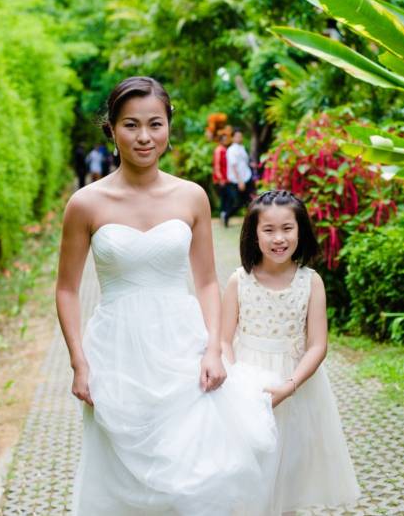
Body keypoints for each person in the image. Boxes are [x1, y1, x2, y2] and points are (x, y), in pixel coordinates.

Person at [56, 76, 278, 516]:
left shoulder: (192, 196)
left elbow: (208, 283)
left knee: (197, 473)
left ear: (169, 127)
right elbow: (65, 288)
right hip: (115, 353)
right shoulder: (85, 204)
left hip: (182, 345)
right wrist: (79, 361)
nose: (143, 137)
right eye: (130, 125)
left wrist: (214, 348)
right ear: (112, 129)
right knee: (123, 476)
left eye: (154, 124)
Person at [220, 190, 361, 515]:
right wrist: (236, 380)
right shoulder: (239, 281)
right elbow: (224, 340)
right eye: (268, 230)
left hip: (296, 387)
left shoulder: (310, 282)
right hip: (248, 387)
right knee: (248, 467)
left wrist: (290, 384)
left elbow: (318, 345)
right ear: (254, 234)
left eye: (287, 228)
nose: (278, 238)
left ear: (301, 231)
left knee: (289, 469)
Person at [223, 129, 253, 227]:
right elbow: (234, 166)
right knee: (238, 202)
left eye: (240, 136)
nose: (239, 138)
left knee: (249, 201)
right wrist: (240, 181)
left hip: (247, 177)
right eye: (237, 136)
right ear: (232, 137)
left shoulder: (242, 148)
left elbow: (244, 163)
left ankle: (251, 221)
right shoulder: (231, 150)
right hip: (237, 180)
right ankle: (227, 216)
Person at [212, 133, 230, 222]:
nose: (226, 140)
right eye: (225, 139)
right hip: (222, 180)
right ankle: (223, 215)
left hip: (227, 179)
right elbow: (217, 166)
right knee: (224, 198)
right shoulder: (219, 150)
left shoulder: (225, 149)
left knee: (226, 198)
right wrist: (220, 179)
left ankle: (224, 215)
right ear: (221, 140)